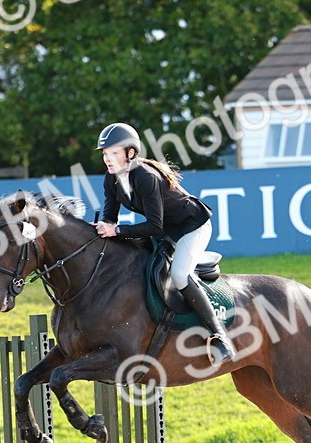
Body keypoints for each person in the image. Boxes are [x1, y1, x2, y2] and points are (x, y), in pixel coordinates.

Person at [93, 122, 235, 366]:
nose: (108, 159)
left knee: (179, 275)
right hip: (165, 230)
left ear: (130, 153)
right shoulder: (112, 178)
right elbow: (110, 216)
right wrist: (99, 228)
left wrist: (116, 231)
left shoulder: (145, 177)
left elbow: (154, 226)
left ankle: (219, 336)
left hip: (192, 226)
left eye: (114, 153)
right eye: (105, 153)